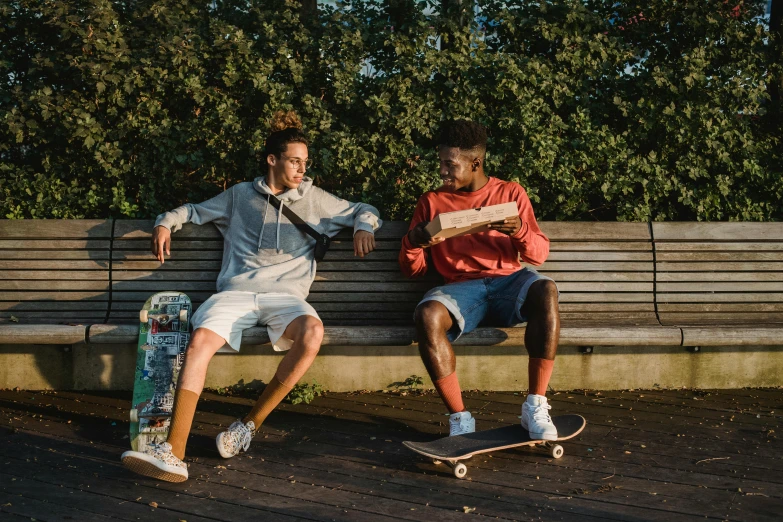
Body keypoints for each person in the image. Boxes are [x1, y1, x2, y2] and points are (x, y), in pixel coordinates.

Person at [121, 110, 382, 482]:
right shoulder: (240, 195)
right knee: (199, 343)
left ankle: (248, 424)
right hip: (236, 294)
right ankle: (172, 454)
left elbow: (364, 209)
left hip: (286, 298)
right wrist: (165, 222)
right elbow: (194, 211)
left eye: (305, 163)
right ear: (272, 160)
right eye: (294, 161)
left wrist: (362, 226)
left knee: (312, 333)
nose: (301, 170)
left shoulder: (314, 198)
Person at [399, 119, 559, 440]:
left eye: (450, 164)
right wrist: (414, 242)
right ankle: (460, 418)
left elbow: (538, 255)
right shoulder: (431, 202)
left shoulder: (511, 193)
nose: (442, 172)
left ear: (476, 162)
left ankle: (535, 405)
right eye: (441, 162)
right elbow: (412, 270)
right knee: (427, 315)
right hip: (460, 290)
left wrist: (519, 230)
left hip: (509, 283)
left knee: (545, 289)